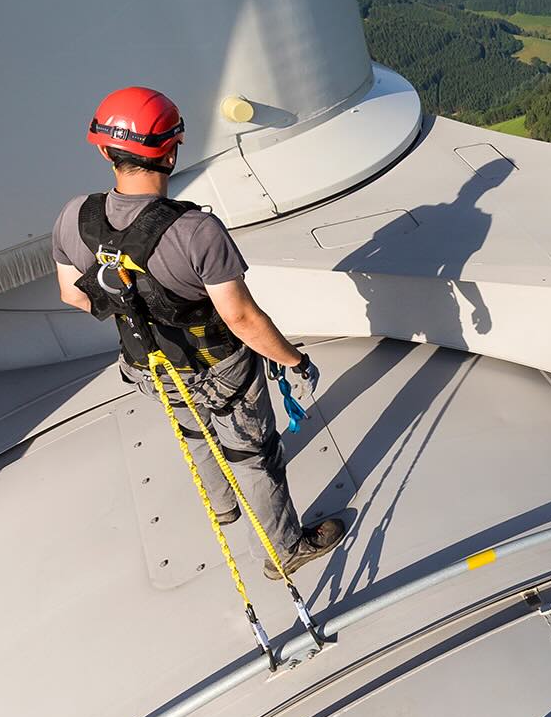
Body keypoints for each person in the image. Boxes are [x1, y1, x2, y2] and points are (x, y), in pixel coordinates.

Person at [51, 86, 346, 579]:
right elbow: (241, 319)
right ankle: (283, 550)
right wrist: (294, 361)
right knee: (252, 453)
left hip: (147, 366)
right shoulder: (195, 232)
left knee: (194, 430)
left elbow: (73, 295)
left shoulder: (74, 217)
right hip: (219, 368)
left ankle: (224, 506)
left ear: (105, 151)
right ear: (170, 152)